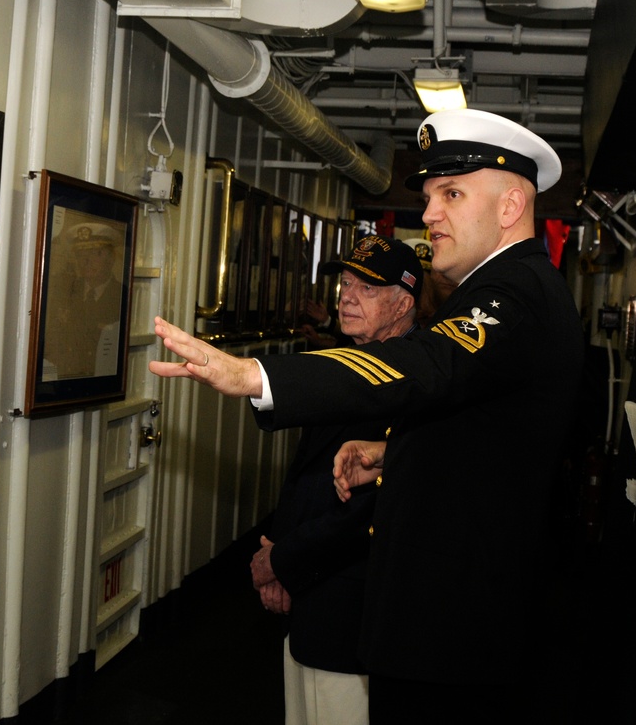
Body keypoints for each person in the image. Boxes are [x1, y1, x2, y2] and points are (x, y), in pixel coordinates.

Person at [149, 108, 585, 724]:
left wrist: (254, 374)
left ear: (511, 205)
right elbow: (487, 431)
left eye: (451, 194)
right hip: (447, 622)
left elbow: (432, 365)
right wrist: (391, 452)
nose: (430, 214)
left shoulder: (513, 294)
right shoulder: (510, 287)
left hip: (453, 631)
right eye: (431, 196)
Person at [250, 236, 422, 725]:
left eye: (366, 288)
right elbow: (307, 476)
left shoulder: (414, 381)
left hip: (355, 607)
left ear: (403, 304)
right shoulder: (350, 367)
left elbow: (365, 511)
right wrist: (283, 558)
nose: (346, 296)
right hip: (312, 589)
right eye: (345, 282)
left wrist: (280, 560)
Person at [44, 222, 124, 379]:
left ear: (112, 258)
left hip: (103, 383)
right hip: (65, 379)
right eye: (81, 255)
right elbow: (52, 338)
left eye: (96, 253)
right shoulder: (66, 290)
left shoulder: (122, 295)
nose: (87, 261)